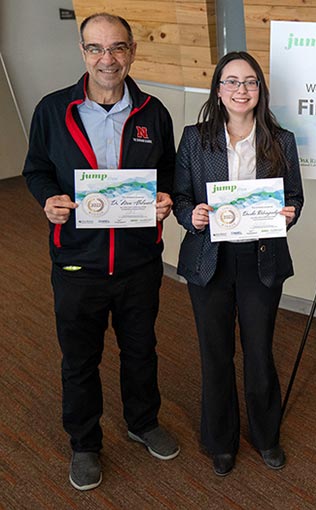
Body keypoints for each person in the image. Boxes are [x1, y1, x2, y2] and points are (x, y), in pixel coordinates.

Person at [22, 13, 180, 491]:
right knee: (79, 358)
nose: (106, 59)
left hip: (138, 261)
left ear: (131, 51)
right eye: (95, 48)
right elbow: (36, 169)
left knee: (140, 349)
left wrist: (165, 200)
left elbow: (168, 171)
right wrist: (47, 198)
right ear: (82, 52)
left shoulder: (154, 111)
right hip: (77, 262)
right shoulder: (54, 110)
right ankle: (85, 443)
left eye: (116, 48)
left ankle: (142, 421)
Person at [172, 51, 303, 476]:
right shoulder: (195, 137)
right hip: (209, 258)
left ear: (260, 90)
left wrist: (290, 213)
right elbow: (180, 196)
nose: (240, 90)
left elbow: (294, 196)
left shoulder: (281, 141)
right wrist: (189, 215)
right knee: (216, 353)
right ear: (218, 89)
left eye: (249, 82)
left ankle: (267, 436)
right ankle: (220, 441)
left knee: (260, 352)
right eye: (231, 82)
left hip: (260, 258)